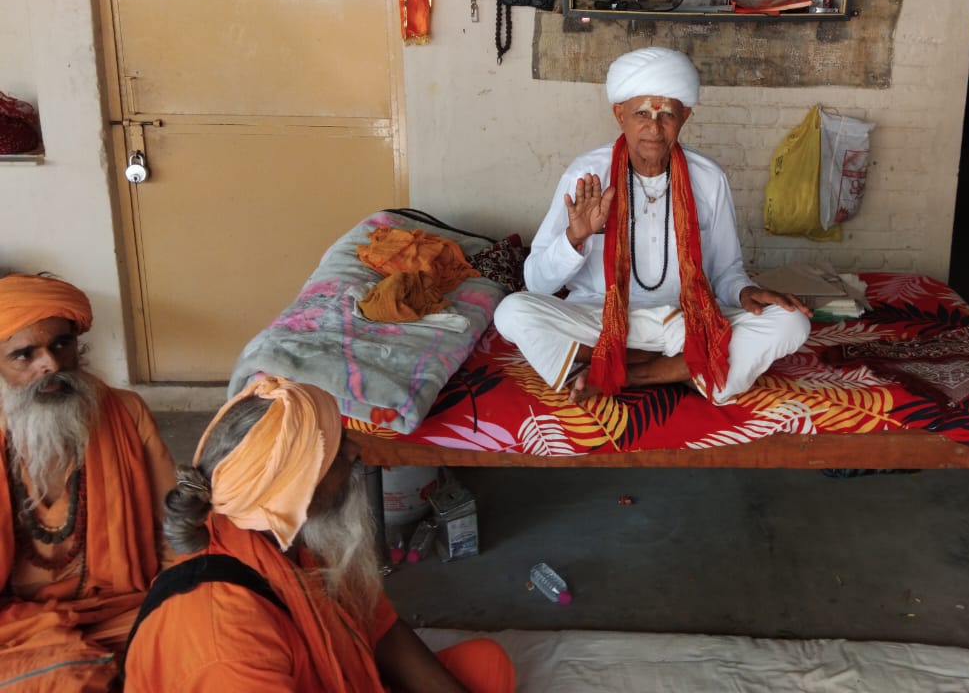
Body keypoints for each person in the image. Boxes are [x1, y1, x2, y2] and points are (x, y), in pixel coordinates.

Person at [122, 375, 515, 692]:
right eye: (336, 450)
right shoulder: (224, 641)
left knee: (485, 664)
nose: (354, 451)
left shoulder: (292, 531)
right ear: (297, 489)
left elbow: (379, 627)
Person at [494, 45, 811, 405]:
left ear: (685, 116)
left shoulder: (709, 179)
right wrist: (574, 238)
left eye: (667, 115)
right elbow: (538, 283)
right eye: (642, 113)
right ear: (619, 114)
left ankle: (626, 372)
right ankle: (678, 368)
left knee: (792, 322)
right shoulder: (586, 174)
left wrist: (743, 292)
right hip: (598, 318)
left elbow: (726, 271)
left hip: (685, 319)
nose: (654, 129)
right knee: (511, 312)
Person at [0, 273, 175, 692]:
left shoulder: (126, 412)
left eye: (61, 344)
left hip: (125, 606)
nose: (51, 364)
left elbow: (171, 524)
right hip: (17, 623)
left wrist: (175, 597)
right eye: (24, 355)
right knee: (60, 676)